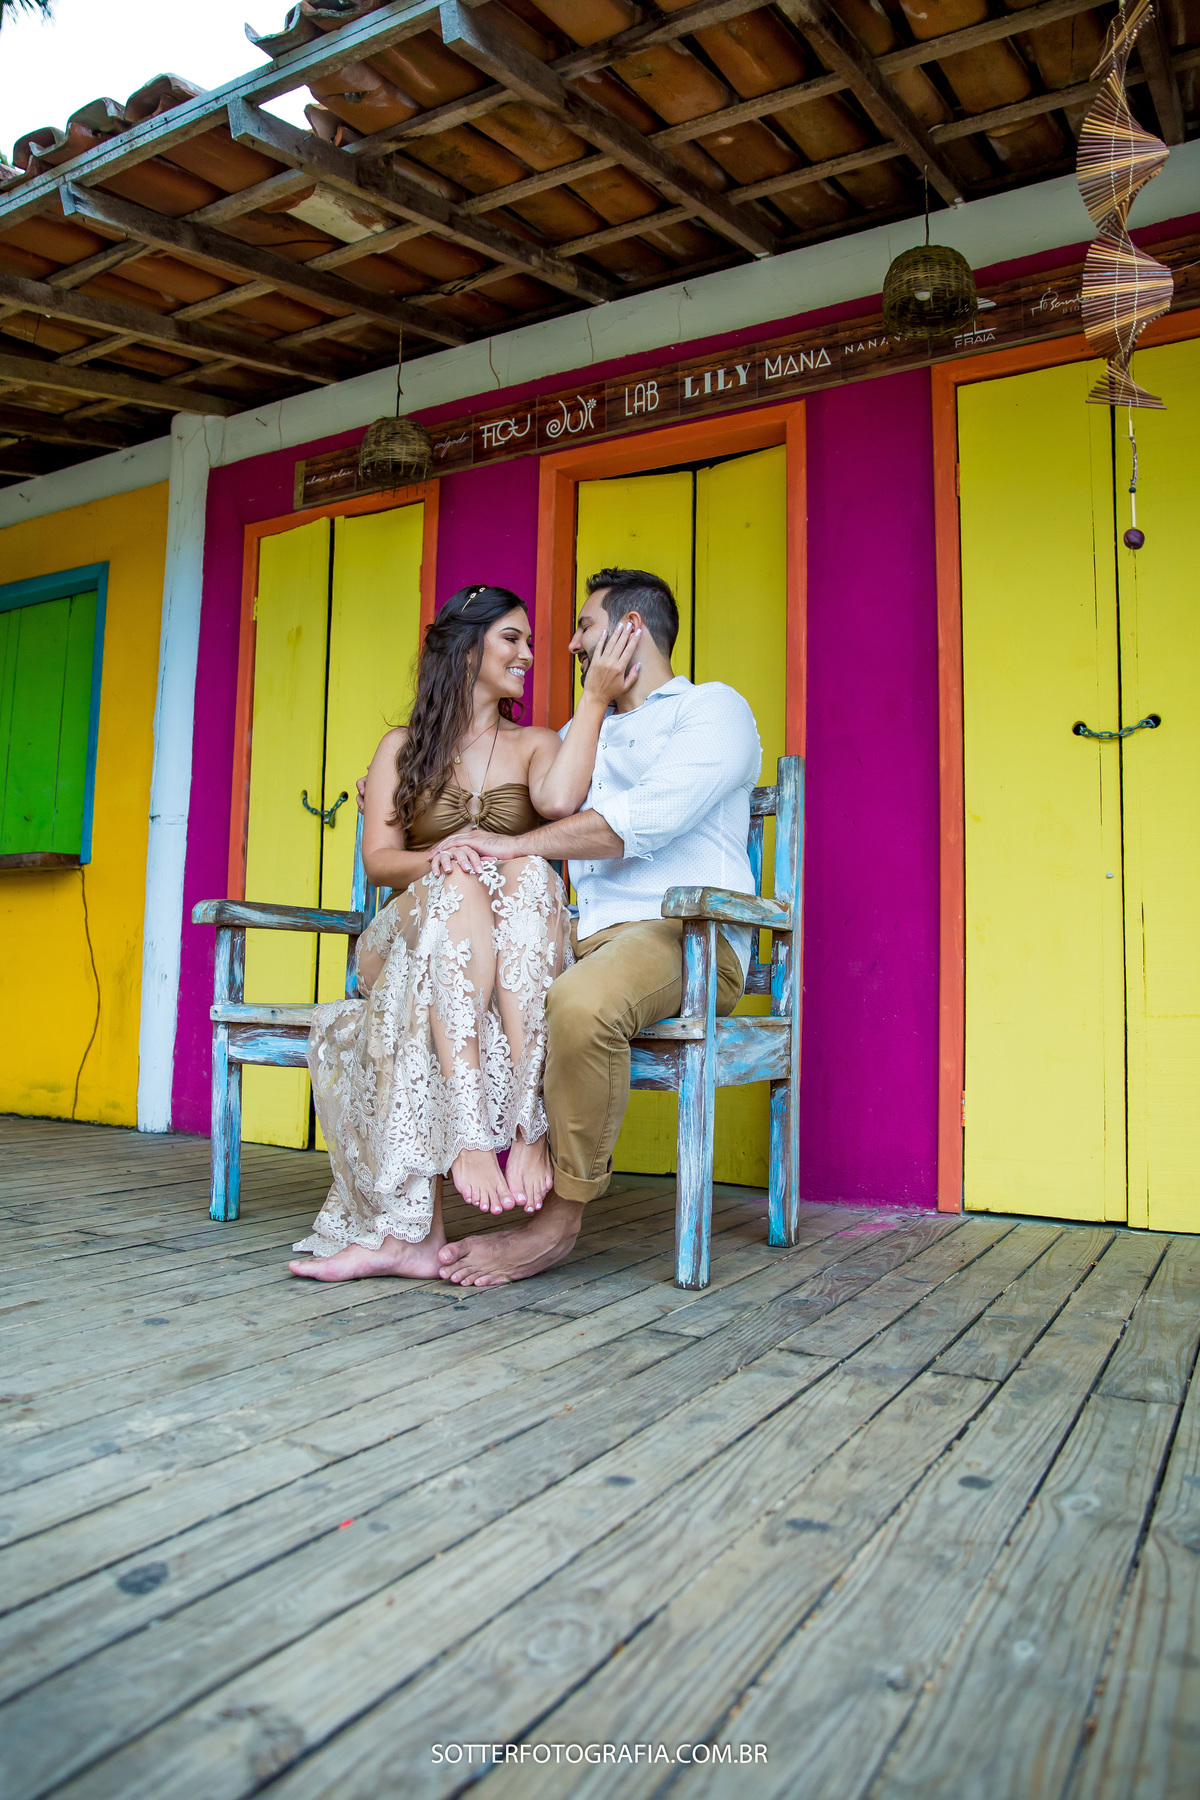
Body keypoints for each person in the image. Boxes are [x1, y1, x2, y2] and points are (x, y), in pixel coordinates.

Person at [289, 583, 641, 1282]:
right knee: (460, 880)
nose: (530, 655)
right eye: (512, 638)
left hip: (506, 958)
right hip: (407, 938)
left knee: (533, 873)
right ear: (465, 644)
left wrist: (593, 703)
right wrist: (440, 857)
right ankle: (477, 1134)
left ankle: (520, 1130)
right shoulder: (402, 747)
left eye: (532, 642)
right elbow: (380, 862)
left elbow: (562, 807)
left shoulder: (539, 744)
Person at [433, 566, 762, 1288]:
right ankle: (414, 1209)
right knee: (457, 978)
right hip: (579, 934)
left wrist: (514, 846)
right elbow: (542, 801)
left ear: (630, 630)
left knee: (578, 1003)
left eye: (585, 627)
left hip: (684, 935)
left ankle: (556, 1222)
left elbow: (637, 826)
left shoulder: (713, 710)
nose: (573, 644)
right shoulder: (593, 729)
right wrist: (402, 789)